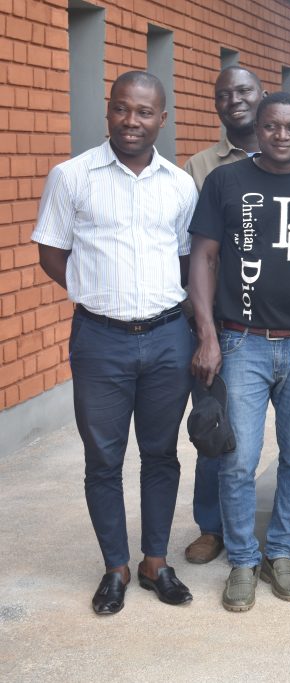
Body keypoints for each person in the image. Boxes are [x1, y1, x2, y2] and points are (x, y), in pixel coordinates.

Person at [33, 71, 197, 615]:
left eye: (145, 112)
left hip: (168, 336)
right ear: (109, 112)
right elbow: (52, 253)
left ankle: (155, 561)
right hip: (100, 339)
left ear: (162, 119)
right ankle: (116, 567)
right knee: (103, 459)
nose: (133, 121)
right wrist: (94, 293)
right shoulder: (72, 177)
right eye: (123, 109)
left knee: (160, 454)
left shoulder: (179, 185)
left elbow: (182, 259)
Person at [183, 66, 290, 566]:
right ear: (258, 128)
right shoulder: (221, 177)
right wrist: (207, 335)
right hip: (241, 342)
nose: (282, 135)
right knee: (234, 457)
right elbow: (203, 258)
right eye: (272, 126)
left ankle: (283, 551)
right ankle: (241, 557)